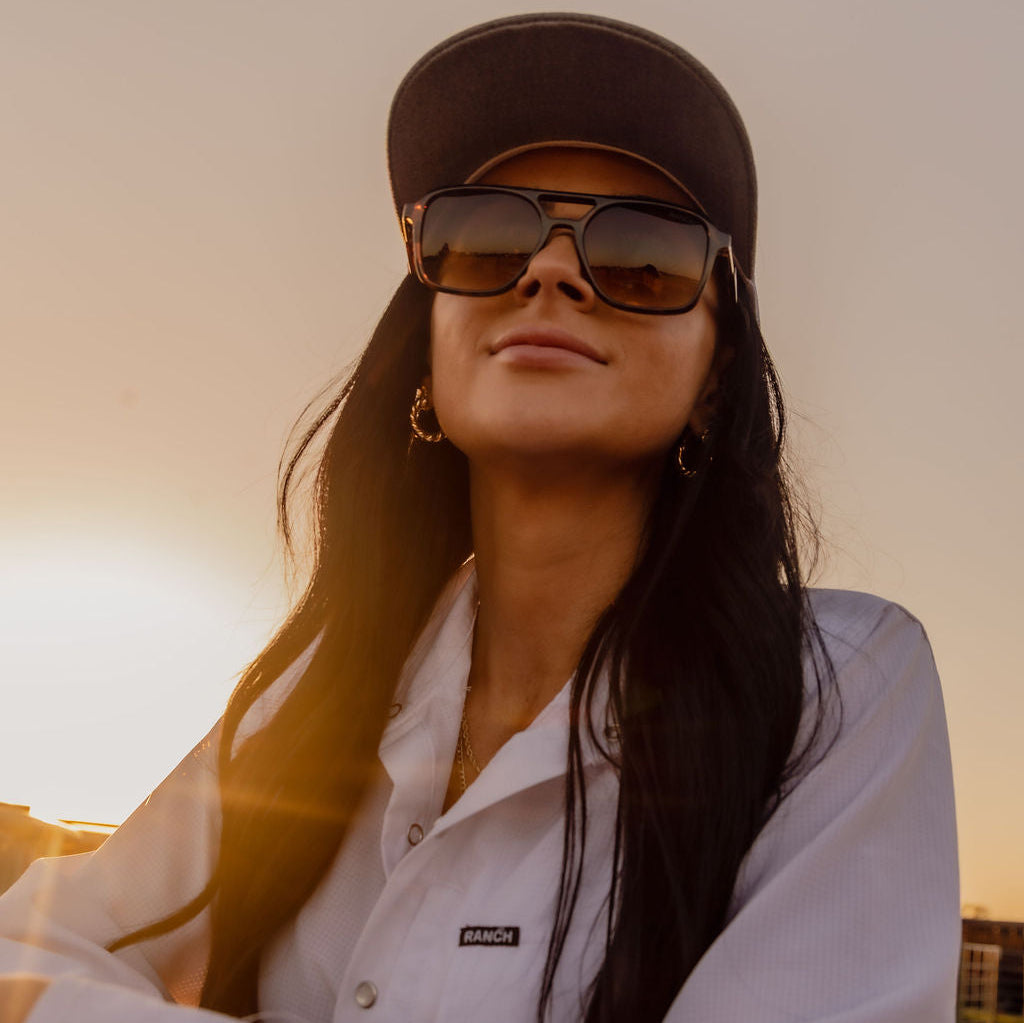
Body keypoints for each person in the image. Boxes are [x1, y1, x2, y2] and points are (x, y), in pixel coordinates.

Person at [0, 12, 959, 1023]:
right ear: (428, 338)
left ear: (716, 378)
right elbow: (26, 950)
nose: (552, 271)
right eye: (486, 235)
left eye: (642, 256)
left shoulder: (836, 688)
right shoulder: (309, 698)